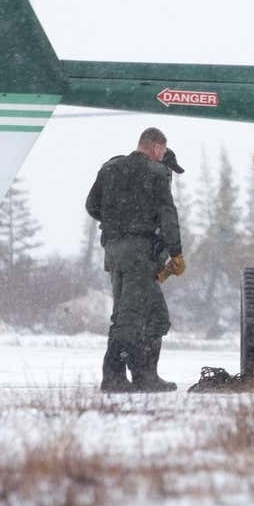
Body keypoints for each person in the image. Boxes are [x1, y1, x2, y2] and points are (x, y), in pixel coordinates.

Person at [85, 128, 184, 393]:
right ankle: (120, 376)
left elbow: (92, 206)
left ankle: (138, 374)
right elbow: (168, 215)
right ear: (156, 148)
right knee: (144, 317)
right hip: (139, 254)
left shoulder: (111, 168)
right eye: (162, 151)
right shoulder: (156, 173)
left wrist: (116, 221)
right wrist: (176, 252)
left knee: (129, 314)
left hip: (114, 252)